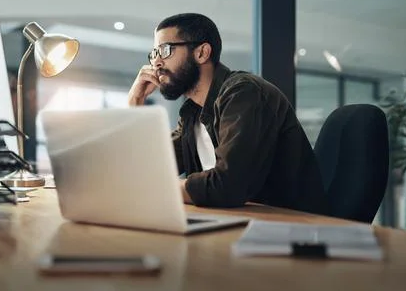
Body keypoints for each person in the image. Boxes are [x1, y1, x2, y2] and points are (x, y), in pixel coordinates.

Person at [128, 13, 328, 215]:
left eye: (165, 50)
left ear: (202, 53)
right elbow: (148, 166)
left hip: (289, 227)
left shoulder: (243, 93)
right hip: (237, 220)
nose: (157, 63)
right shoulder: (191, 113)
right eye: (154, 54)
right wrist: (135, 103)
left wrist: (160, 187)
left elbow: (228, 186)